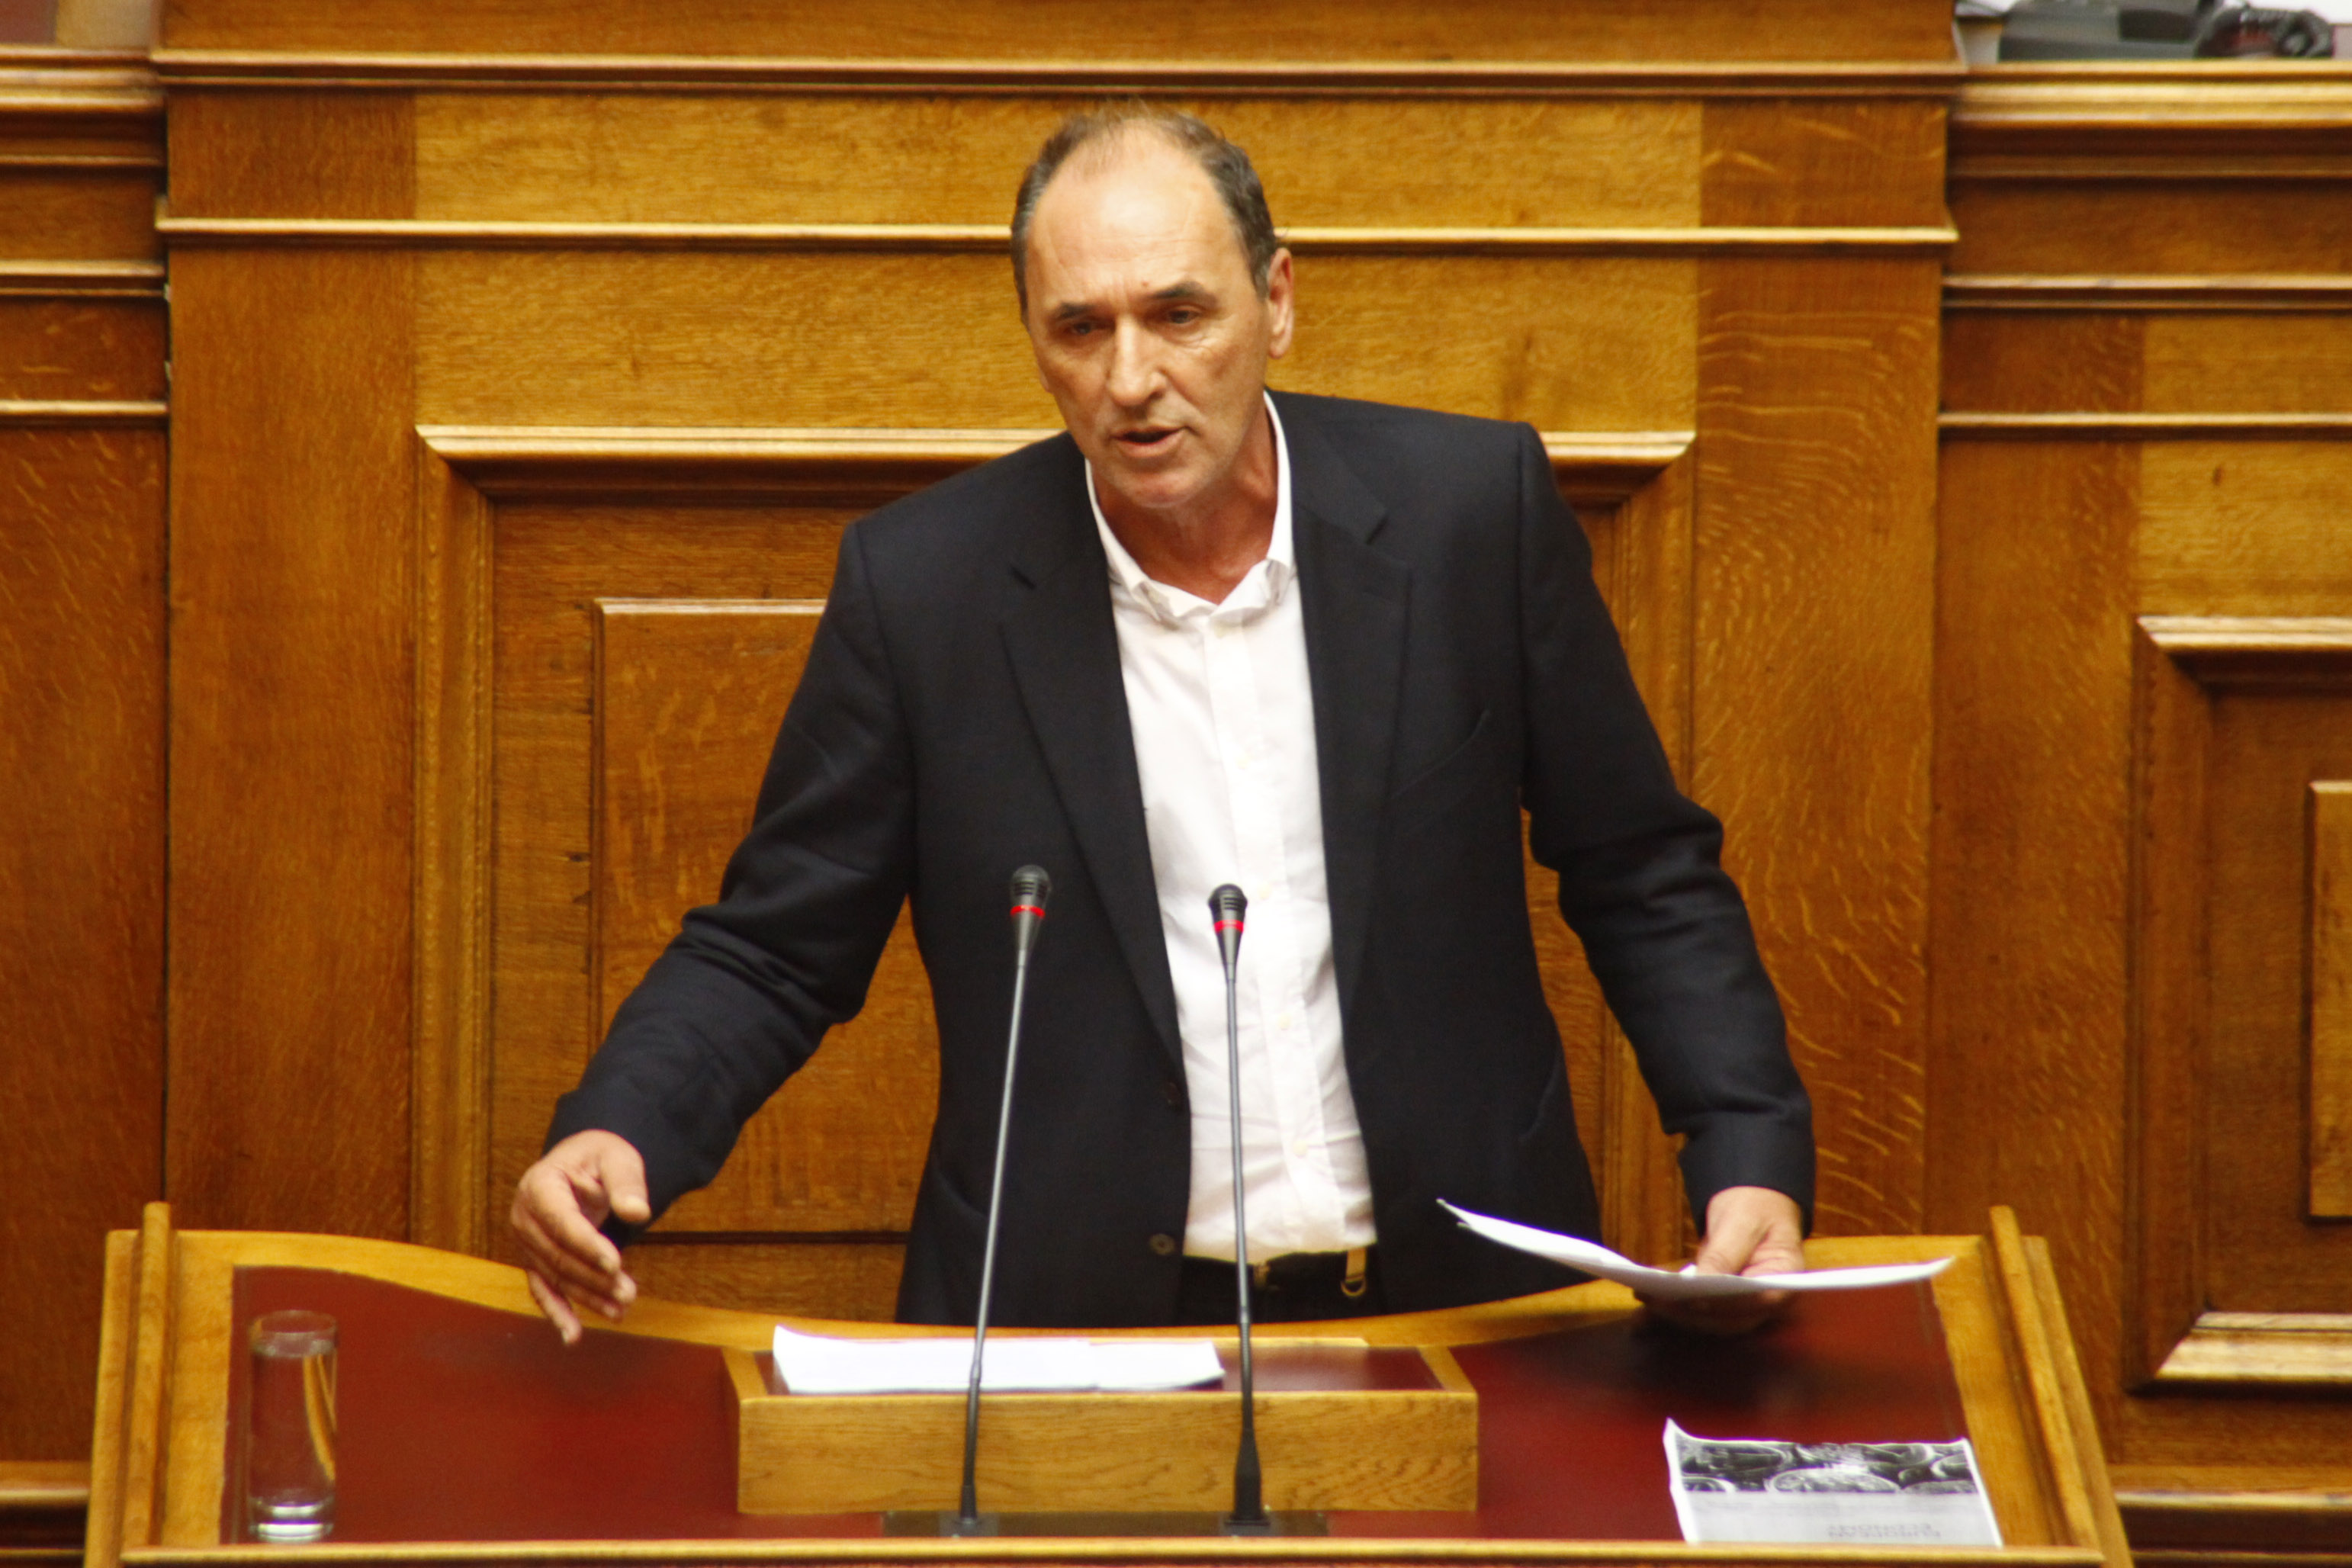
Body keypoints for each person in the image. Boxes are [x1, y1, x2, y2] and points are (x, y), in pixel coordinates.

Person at [511, 106, 1812, 1345]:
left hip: (1461, 1298)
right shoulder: (928, 594)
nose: (1132, 380)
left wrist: (1745, 1149)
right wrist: (623, 1126)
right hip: (1084, 1326)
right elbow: (776, 948)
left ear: (1277, 302)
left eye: (1179, 316)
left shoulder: (1469, 517)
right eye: (1081, 329)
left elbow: (1638, 866)